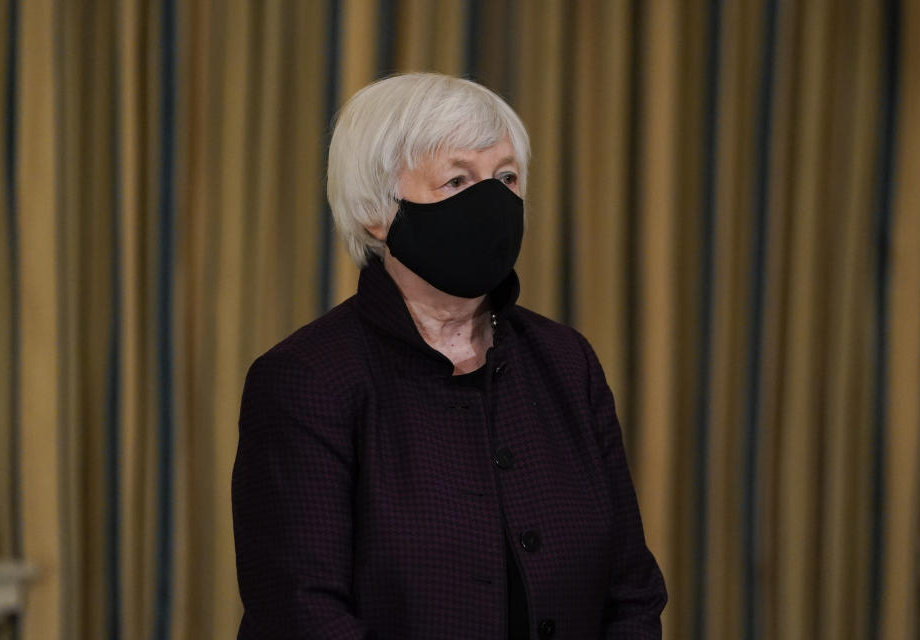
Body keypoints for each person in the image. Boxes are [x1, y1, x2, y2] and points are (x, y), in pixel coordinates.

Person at [232, 72, 666, 639]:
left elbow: (631, 593)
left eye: (505, 177)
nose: (491, 201)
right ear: (376, 211)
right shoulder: (308, 378)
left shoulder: (565, 361)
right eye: (456, 181)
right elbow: (303, 613)